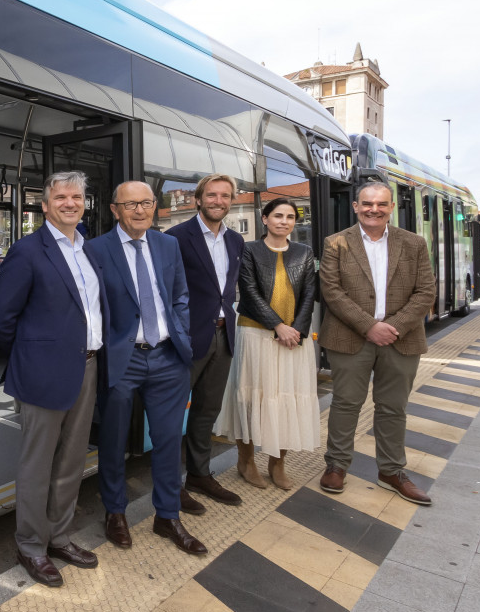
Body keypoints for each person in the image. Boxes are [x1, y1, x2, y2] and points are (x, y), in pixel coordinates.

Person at [0, 171, 106, 586]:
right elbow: (2, 318)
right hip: (42, 373)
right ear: (45, 205)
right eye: (61, 197)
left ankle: (59, 535)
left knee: (72, 462)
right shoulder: (27, 251)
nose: (70, 203)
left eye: (77, 197)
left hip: (87, 366)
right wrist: (34, 355)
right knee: (37, 465)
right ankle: (31, 546)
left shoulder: (88, 249)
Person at [86, 181, 206, 555]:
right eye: (131, 204)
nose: (140, 210)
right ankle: (115, 513)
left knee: (170, 440)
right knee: (113, 438)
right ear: (115, 209)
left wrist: (180, 334)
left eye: (147, 203)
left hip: (168, 356)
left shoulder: (167, 244)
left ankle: (167, 516)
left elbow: (180, 295)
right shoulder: (95, 249)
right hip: (124, 357)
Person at [318, 183, 436, 504]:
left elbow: (426, 291)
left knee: (393, 407)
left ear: (392, 207)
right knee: (346, 403)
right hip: (350, 337)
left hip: (402, 339)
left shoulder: (414, 244)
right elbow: (332, 292)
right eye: (368, 203)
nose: (374, 209)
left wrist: (391, 327)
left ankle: (391, 471)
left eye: (382, 204)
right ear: (356, 206)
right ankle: (337, 466)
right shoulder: (335, 243)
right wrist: (370, 326)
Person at [215, 198, 320, 490]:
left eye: (290, 217)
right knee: (250, 399)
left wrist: (296, 330)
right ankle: (246, 462)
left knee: (287, 398)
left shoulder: (304, 252)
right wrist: (278, 325)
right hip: (255, 334)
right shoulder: (248, 250)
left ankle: (277, 463)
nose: (284, 221)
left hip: (293, 340)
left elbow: (310, 293)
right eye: (278, 216)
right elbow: (247, 292)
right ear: (264, 219)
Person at [165, 174, 245, 512]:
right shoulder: (175, 238)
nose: (218, 201)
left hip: (223, 335)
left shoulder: (235, 241)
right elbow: (164, 293)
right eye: (211, 195)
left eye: (225, 196)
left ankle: (199, 474)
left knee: (206, 411)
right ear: (198, 199)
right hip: (187, 339)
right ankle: (171, 486)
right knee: (171, 416)